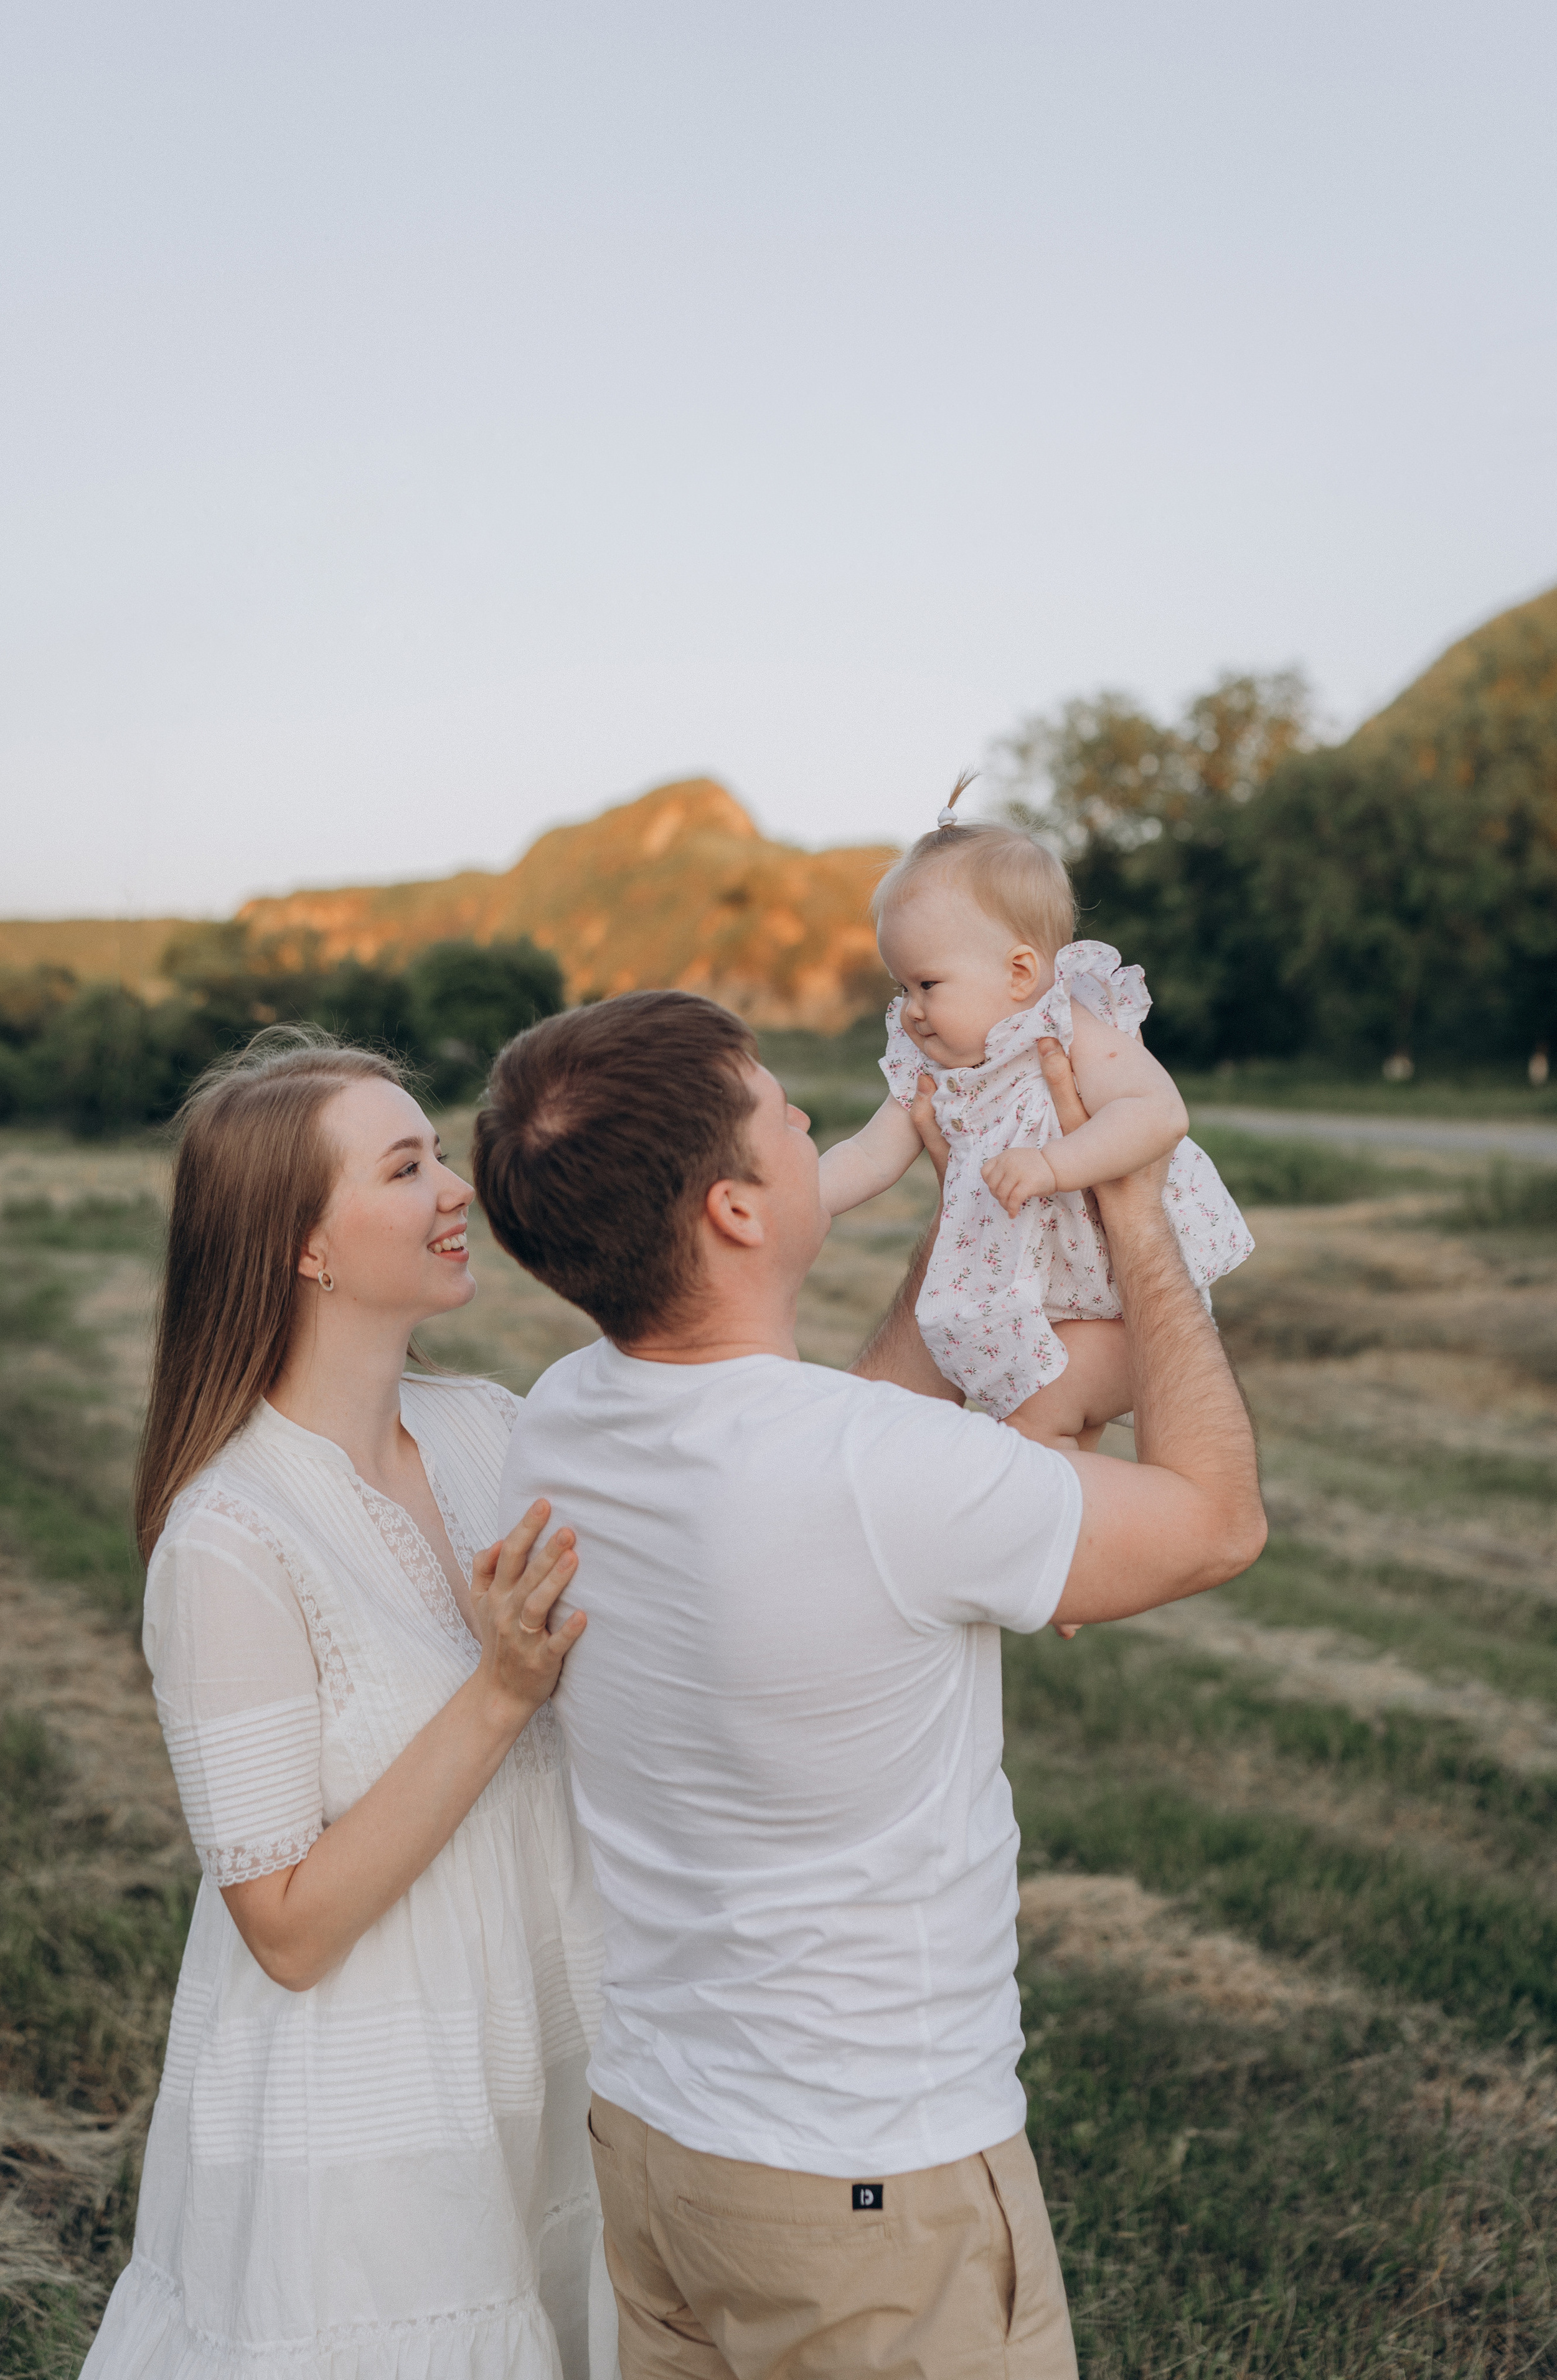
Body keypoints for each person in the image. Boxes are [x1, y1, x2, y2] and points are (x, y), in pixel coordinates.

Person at [472, 988, 1266, 2380]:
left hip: (663, 2152)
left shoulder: (562, 1420)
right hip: (869, 2186)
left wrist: (958, 1216)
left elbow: (844, 1436)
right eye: (777, 1105)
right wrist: (1133, 1208)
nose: (806, 1117)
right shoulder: (875, 1479)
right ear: (732, 1209)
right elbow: (1214, 1524)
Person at [83, 1031, 616, 2380]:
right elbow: (288, 1929)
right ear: (304, 1246)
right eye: (405, 1166)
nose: (455, 1188)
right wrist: (496, 1694)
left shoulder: (496, 1431)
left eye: (437, 1152)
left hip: (548, 2052)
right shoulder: (231, 1537)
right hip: (374, 2126)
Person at [818, 778, 1254, 1451]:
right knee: (1040, 1429)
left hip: (1121, 1304)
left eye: (927, 984)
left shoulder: (1068, 1029)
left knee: (1032, 1424)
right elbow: (870, 1154)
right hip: (1031, 1298)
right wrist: (800, 1197)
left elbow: (1157, 1113)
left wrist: (1054, 1163)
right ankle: (1079, 1543)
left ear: (1020, 973)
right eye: (899, 986)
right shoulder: (935, 1067)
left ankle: (1074, 1535)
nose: (909, 1009)